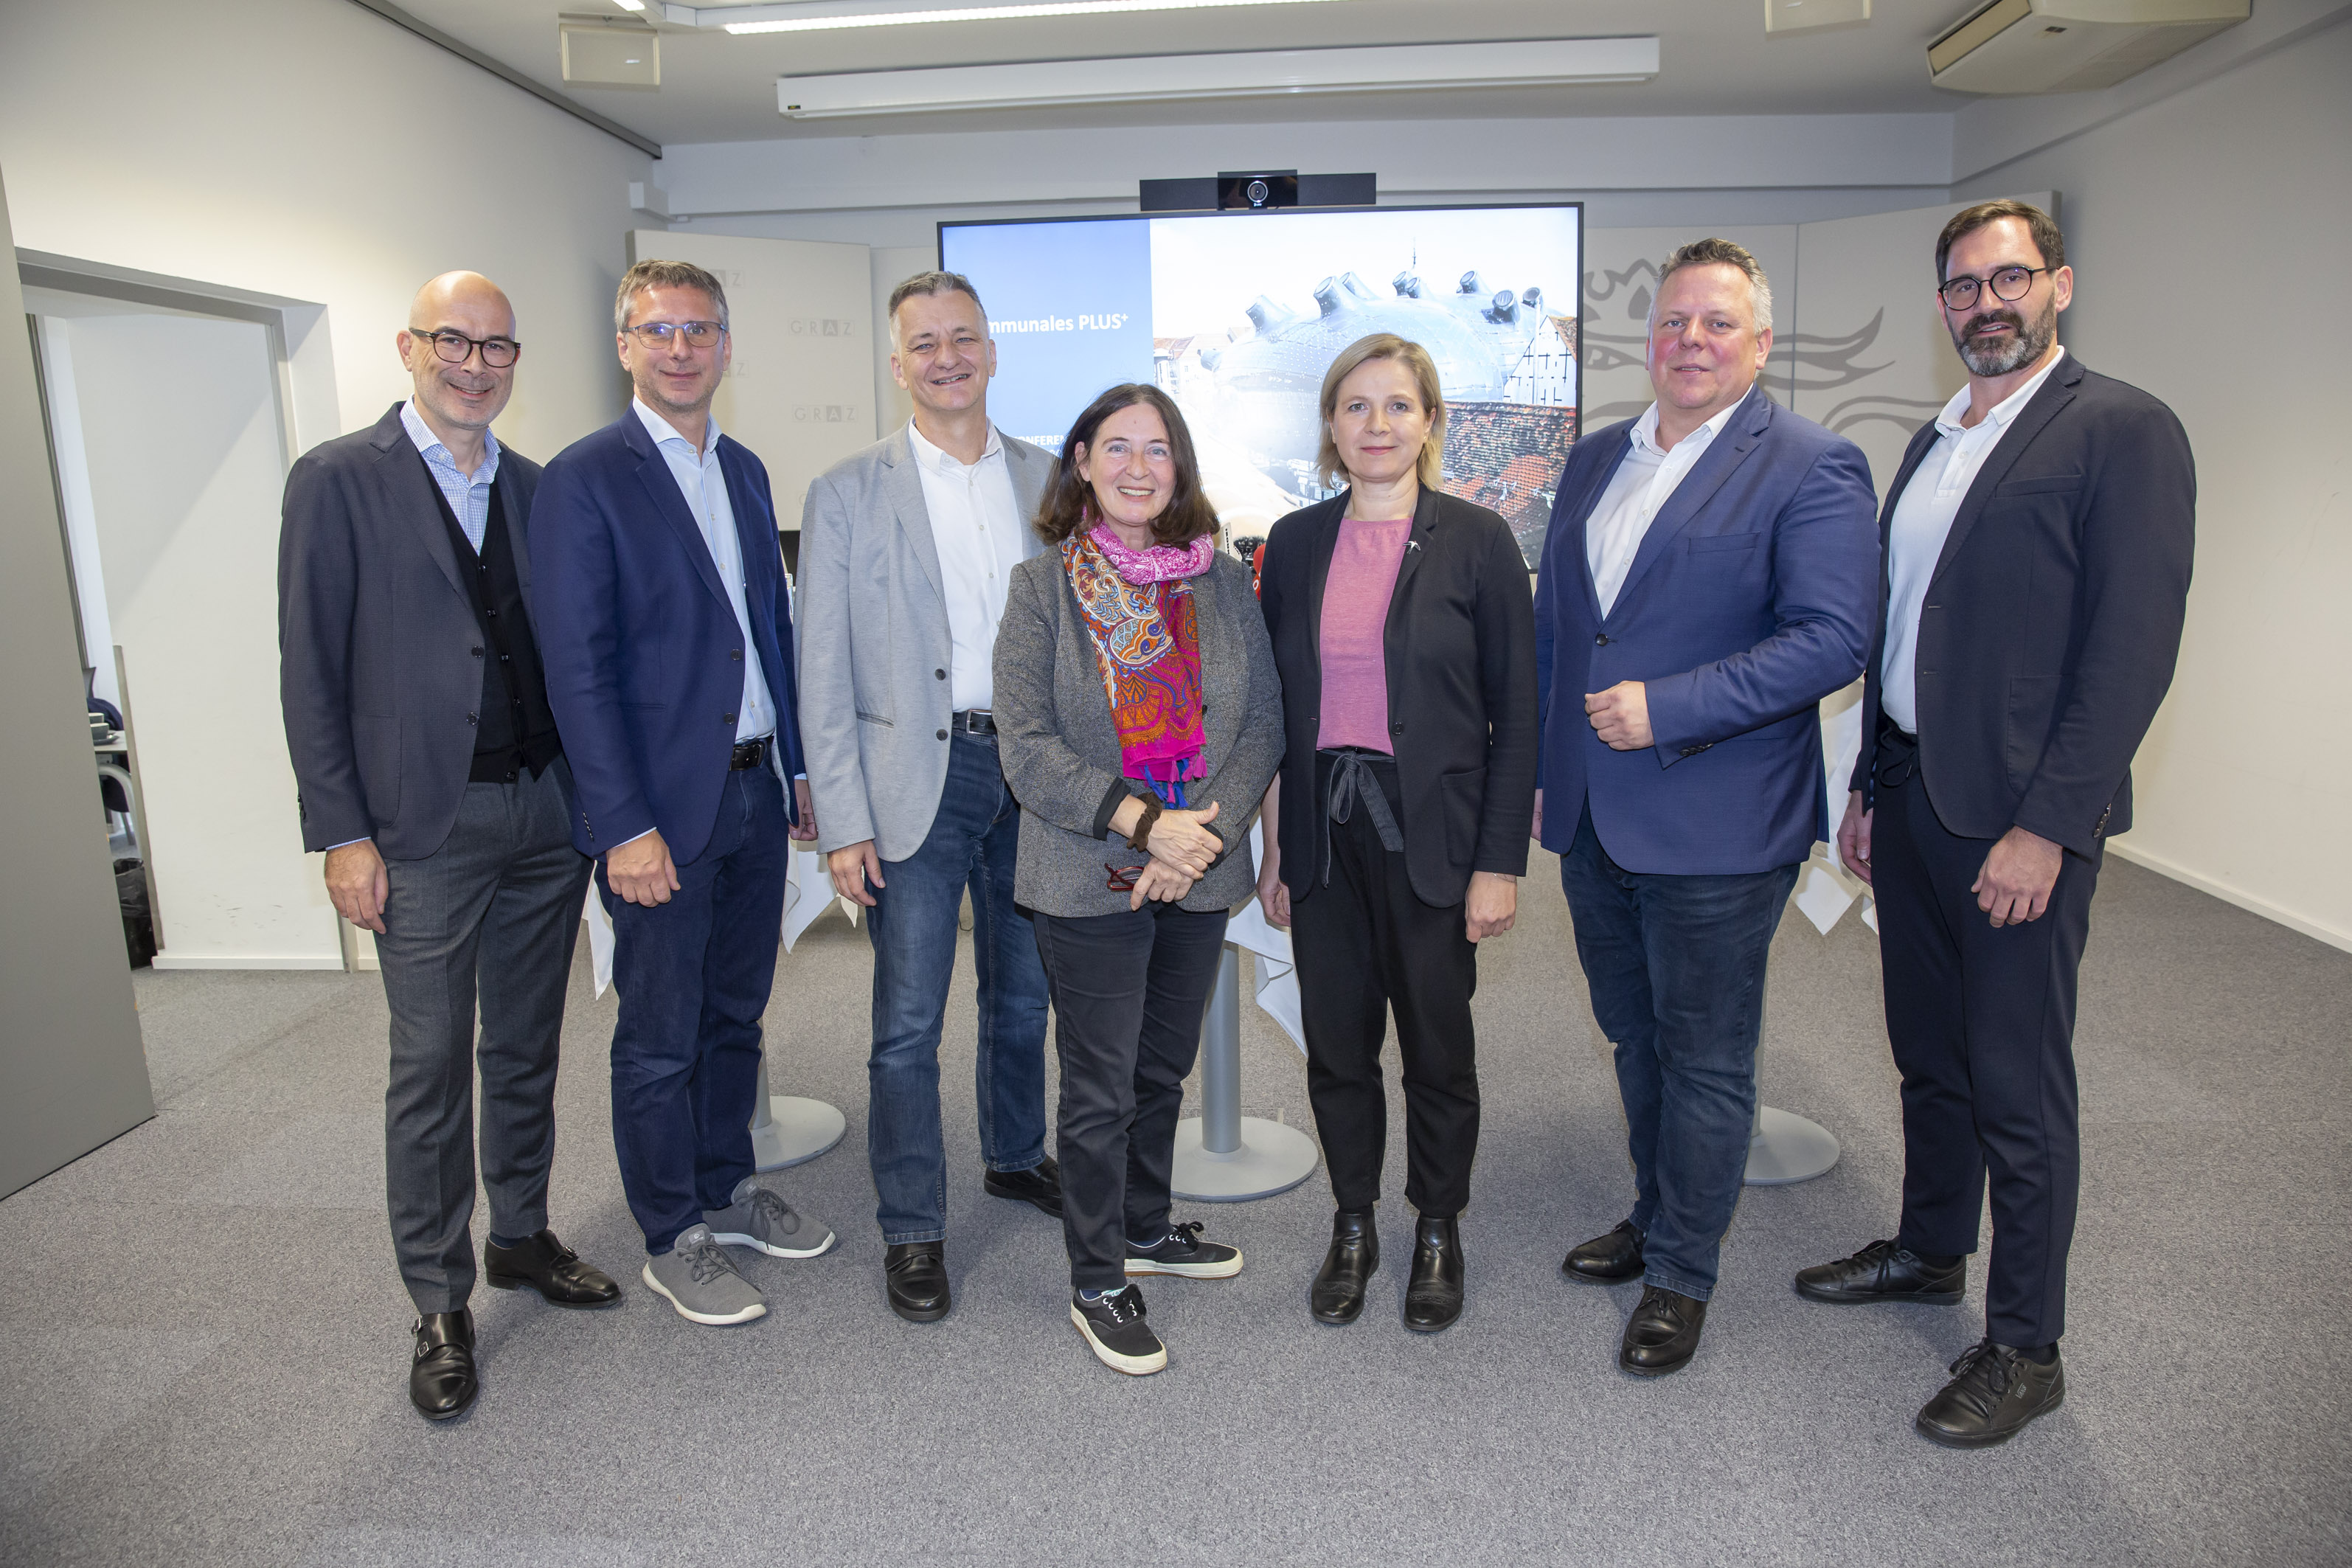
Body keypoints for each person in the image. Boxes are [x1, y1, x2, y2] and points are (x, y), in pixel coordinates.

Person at [1797, 201, 2194, 1447]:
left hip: (2017, 817)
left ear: (2058, 284)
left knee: (2018, 1084)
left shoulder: (2120, 429)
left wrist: (2051, 827)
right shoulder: (1935, 438)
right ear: (1941, 306)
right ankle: (1926, 1249)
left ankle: (2026, 1345)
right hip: (1914, 793)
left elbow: (2129, 652)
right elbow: (1901, 626)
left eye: (2008, 278)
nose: (1987, 303)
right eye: (1963, 287)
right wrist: (1866, 784)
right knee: (1929, 1053)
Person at [1532, 238, 1878, 1376]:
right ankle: (1654, 1211)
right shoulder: (1592, 461)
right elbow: (1567, 628)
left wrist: (1671, 705)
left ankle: (1683, 1270)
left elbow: (1833, 639)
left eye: (1716, 324)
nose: (1690, 341)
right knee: (1633, 1036)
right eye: (1674, 322)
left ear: (1760, 343)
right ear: (1649, 338)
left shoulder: (1810, 464)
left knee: (1706, 1054)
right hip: (1595, 815)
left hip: (1720, 820)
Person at [278, 271, 619, 1420]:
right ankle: (438, 1295)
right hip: (418, 828)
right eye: (453, 343)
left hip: (540, 813)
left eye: (497, 348)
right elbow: (310, 667)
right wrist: (340, 834)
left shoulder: (534, 486)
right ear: (408, 347)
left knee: (524, 1042)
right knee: (427, 1067)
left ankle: (519, 1232)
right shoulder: (336, 480)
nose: (475, 366)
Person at [531, 258, 832, 1329]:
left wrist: (799, 765)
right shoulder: (584, 478)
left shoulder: (745, 468)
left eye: (700, 329)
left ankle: (723, 1184)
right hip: (658, 812)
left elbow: (771, 630)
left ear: (725, 345)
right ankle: (671, 1231)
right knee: (659, 1032)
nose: (680, 347)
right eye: (657, 330)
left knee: (735, 1014)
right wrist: (622, 825)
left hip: (754, 795)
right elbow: (578, 667)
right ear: (623, 345)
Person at [993, 383, 1283, 1376]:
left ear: (1179, 467)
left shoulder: (1223, 580)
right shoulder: (1041, 590)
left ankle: (1147, 1226)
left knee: (1160, 1067)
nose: (1135, 467)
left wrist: (1196, 838)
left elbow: (1260, 724)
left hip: (1194, 864)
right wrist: (1146, 826)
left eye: (1156, 450)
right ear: (1079, 461)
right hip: (1088, 871)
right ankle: (1093, 1274)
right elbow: (1026, 749)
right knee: (1100, 1081)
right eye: (1114, 447)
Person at [1255, 333, 1537, 1335]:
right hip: (1325, 828)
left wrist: (1497, 862)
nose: (1377, 424)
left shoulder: (1477, 540)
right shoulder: (1291, 543)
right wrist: (1277, 844)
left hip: (1436, 837)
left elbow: (1519, 712)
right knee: (1335, 1044)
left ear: (1429, 422)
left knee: (1435, 1045)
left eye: (1397, 406)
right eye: (1355, 407)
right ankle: (1353, 1223)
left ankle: (1436, 1225)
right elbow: (1277, 708)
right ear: (1329, 427)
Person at [796, 271, 1059, 1325]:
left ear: (992, 351)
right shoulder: (847, 489)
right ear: (896, 364)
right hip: (915, 777)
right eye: (923, 344)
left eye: (963, 338)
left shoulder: (1051, 477)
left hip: (1034, 776)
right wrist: (843, 822)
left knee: (1024, 996)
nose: (946, 357)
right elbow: (822, 666)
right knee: (905, 1023)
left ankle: (1011, 1154)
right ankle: (911, 1223)